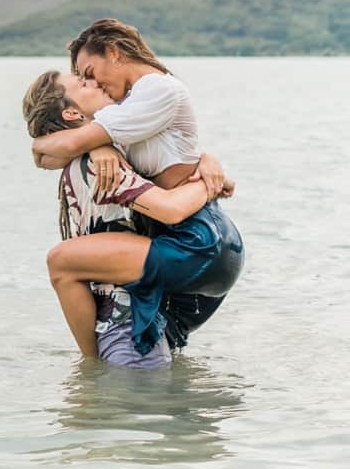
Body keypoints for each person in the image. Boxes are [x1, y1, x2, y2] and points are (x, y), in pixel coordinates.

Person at [28, 19, 245, 357]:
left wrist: (208, 180)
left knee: (61, 262)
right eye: (82, 81)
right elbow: (46, 151)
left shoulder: (156, 90)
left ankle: (93, 363)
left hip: (199, 240)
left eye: (89, 71)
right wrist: (101, 146)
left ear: (113, 52)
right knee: (160, 366)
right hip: (190, 242)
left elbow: (46, 149)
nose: (92, 81)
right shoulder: (124, 115)